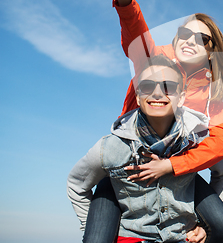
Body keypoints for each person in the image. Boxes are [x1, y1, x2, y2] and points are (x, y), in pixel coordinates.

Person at [83, 0, 223, 243]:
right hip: (131, 165)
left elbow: (222, 142)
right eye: (184, 33)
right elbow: (138, 39)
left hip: (178, 174)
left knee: (221, 222)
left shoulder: (209, 95)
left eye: (201, 38)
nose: (189, 40)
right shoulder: (156, 62)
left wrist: (171, 165)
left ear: (211, 51)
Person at [68, 55, 210, 242]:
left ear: (181, 97)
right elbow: (76, 184)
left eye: (168, 87)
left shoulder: (195, 139)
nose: (157, 93)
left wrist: (204, 226)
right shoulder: (111, 147)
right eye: (148, 86)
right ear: (138, 95)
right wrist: (92, 228)